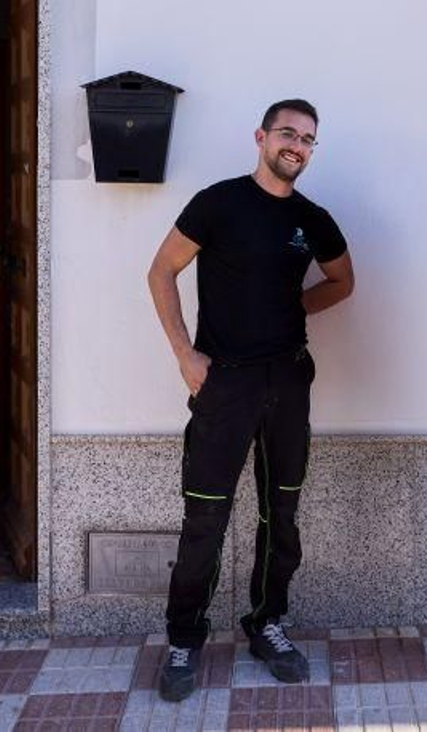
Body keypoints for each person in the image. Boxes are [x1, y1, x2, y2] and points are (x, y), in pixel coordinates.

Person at [146, 98, 355, 703]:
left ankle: (267, 623)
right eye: (287, 133)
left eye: (309, 139)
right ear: (262, 137)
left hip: (287, 382)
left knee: (280, 515)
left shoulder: (313, 219)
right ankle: (184, 639)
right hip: (225, 384)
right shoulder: (219, 202)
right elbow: (161, 272)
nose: (297, 145)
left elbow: (343, 281)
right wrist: (186, 355)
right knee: (205, 518)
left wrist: (295, 309)